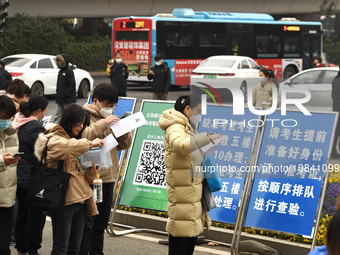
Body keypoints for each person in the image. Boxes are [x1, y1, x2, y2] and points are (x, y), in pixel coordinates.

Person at [34, 104, 104, 255]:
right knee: (61, 248)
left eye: (83, 124)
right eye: (78, 123)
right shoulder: (53, 139)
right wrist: (91, 143)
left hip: (81, 200)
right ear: (68, 121)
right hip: (63, 201)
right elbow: (67, 147)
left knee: (74, 248)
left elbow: (82, 176)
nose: (81, 127)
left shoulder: (76, 141)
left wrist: (92, 172)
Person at [159, 95, 221, 255]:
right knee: (180, 238)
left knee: (189, 239)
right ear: (188, 109)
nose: (201, 115)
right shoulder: (175, 126)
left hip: (192, 192)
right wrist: (204, 139)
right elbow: (181, 145)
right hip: (183, 194)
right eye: (199, 111)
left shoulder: (189, 125)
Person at [80, 83, 132, 255]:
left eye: (113, 106)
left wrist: (123, 129)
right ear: (96, 101)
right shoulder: (83, 115)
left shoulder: (110, 119)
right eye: (108, 105)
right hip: (90, 178)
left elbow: (124, 145)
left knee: (101, 223)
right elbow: (82, 138)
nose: (110, 109)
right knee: (88, 223)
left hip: (108, 179)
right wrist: (104, 123)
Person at [12, 96, 49, 255]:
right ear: (39, 111)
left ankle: (21, 247)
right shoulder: (35, 127)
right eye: (44, 111)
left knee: (22, 213)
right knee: (35, 216)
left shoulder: (19, 121)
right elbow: (42, 153)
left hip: (19, 175)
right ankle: (32, 249)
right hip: (31, 177)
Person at [0, 95, 20, 255]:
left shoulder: (13, 132)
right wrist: (2, 161)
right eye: (3, 118)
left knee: (4, 247)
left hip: (7, 198)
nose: (6, 121)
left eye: (9, 118)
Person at [54, 54, 76, 124]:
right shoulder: (60, 72)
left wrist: (66, 94)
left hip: (67, 99)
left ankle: (70, 128)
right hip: (60, 98)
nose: (58, 63)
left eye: (60, 61)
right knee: (58, 114)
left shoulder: (69, 71)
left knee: (68, 115)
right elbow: (59, 84)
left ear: (64, 62)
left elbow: (72, 85)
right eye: (58, 62)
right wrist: (58, 94)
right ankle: (54, 128)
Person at [331, 70, 340, 158]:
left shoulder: (335, 79)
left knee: (336, 131)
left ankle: (332, 150)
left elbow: (333, 96)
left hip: (336, 108)